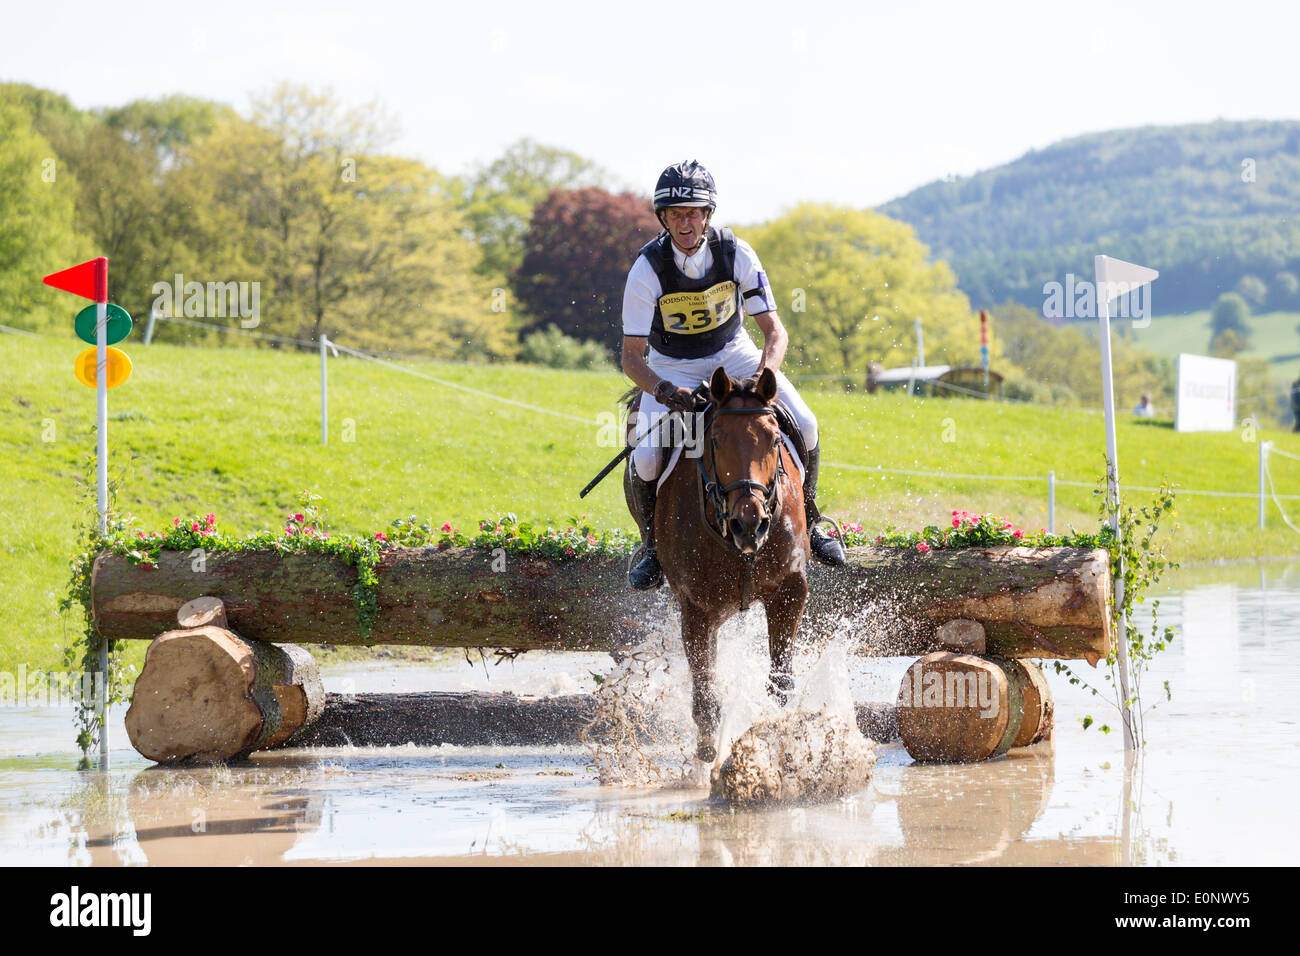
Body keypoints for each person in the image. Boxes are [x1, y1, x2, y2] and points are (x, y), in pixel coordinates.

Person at [620, 160, 846, 590]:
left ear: (707, 215)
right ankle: (651, 545)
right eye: (675, 215)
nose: (684, 223)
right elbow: (631, 359)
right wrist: (666, 390)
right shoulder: (646, 269)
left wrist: (763, 379)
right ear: (663, 218)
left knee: (809, 425)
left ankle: (812, 523)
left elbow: (774, 331)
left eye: (693, 213)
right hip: (672, 364)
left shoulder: (736, 253)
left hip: (735, 354)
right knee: (646, 457)